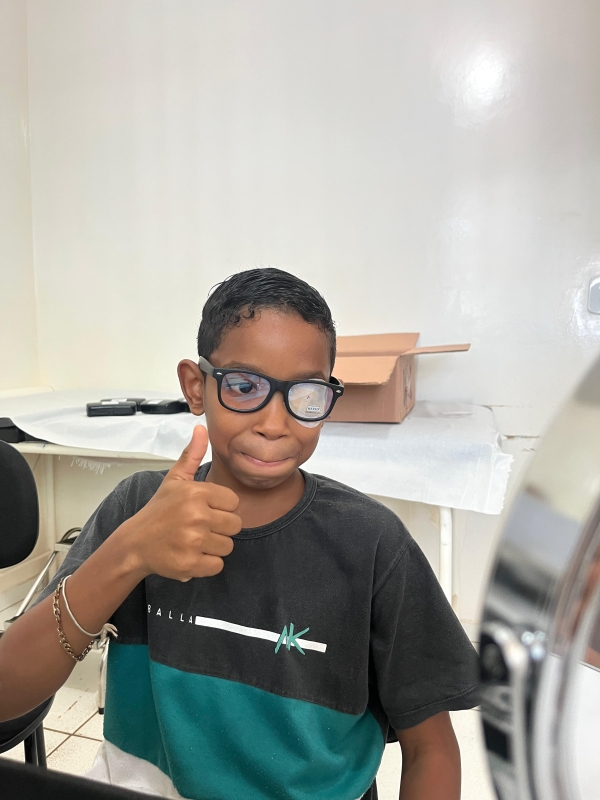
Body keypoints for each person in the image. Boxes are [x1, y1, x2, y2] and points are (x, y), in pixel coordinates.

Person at [0, 268, 479, 800]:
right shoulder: (138, 509)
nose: (275, 423)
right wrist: (129, 553)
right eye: (245, 387)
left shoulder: (372, 544)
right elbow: (6, 696)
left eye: (307, 393)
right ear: (196, 386)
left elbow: (432, 748)